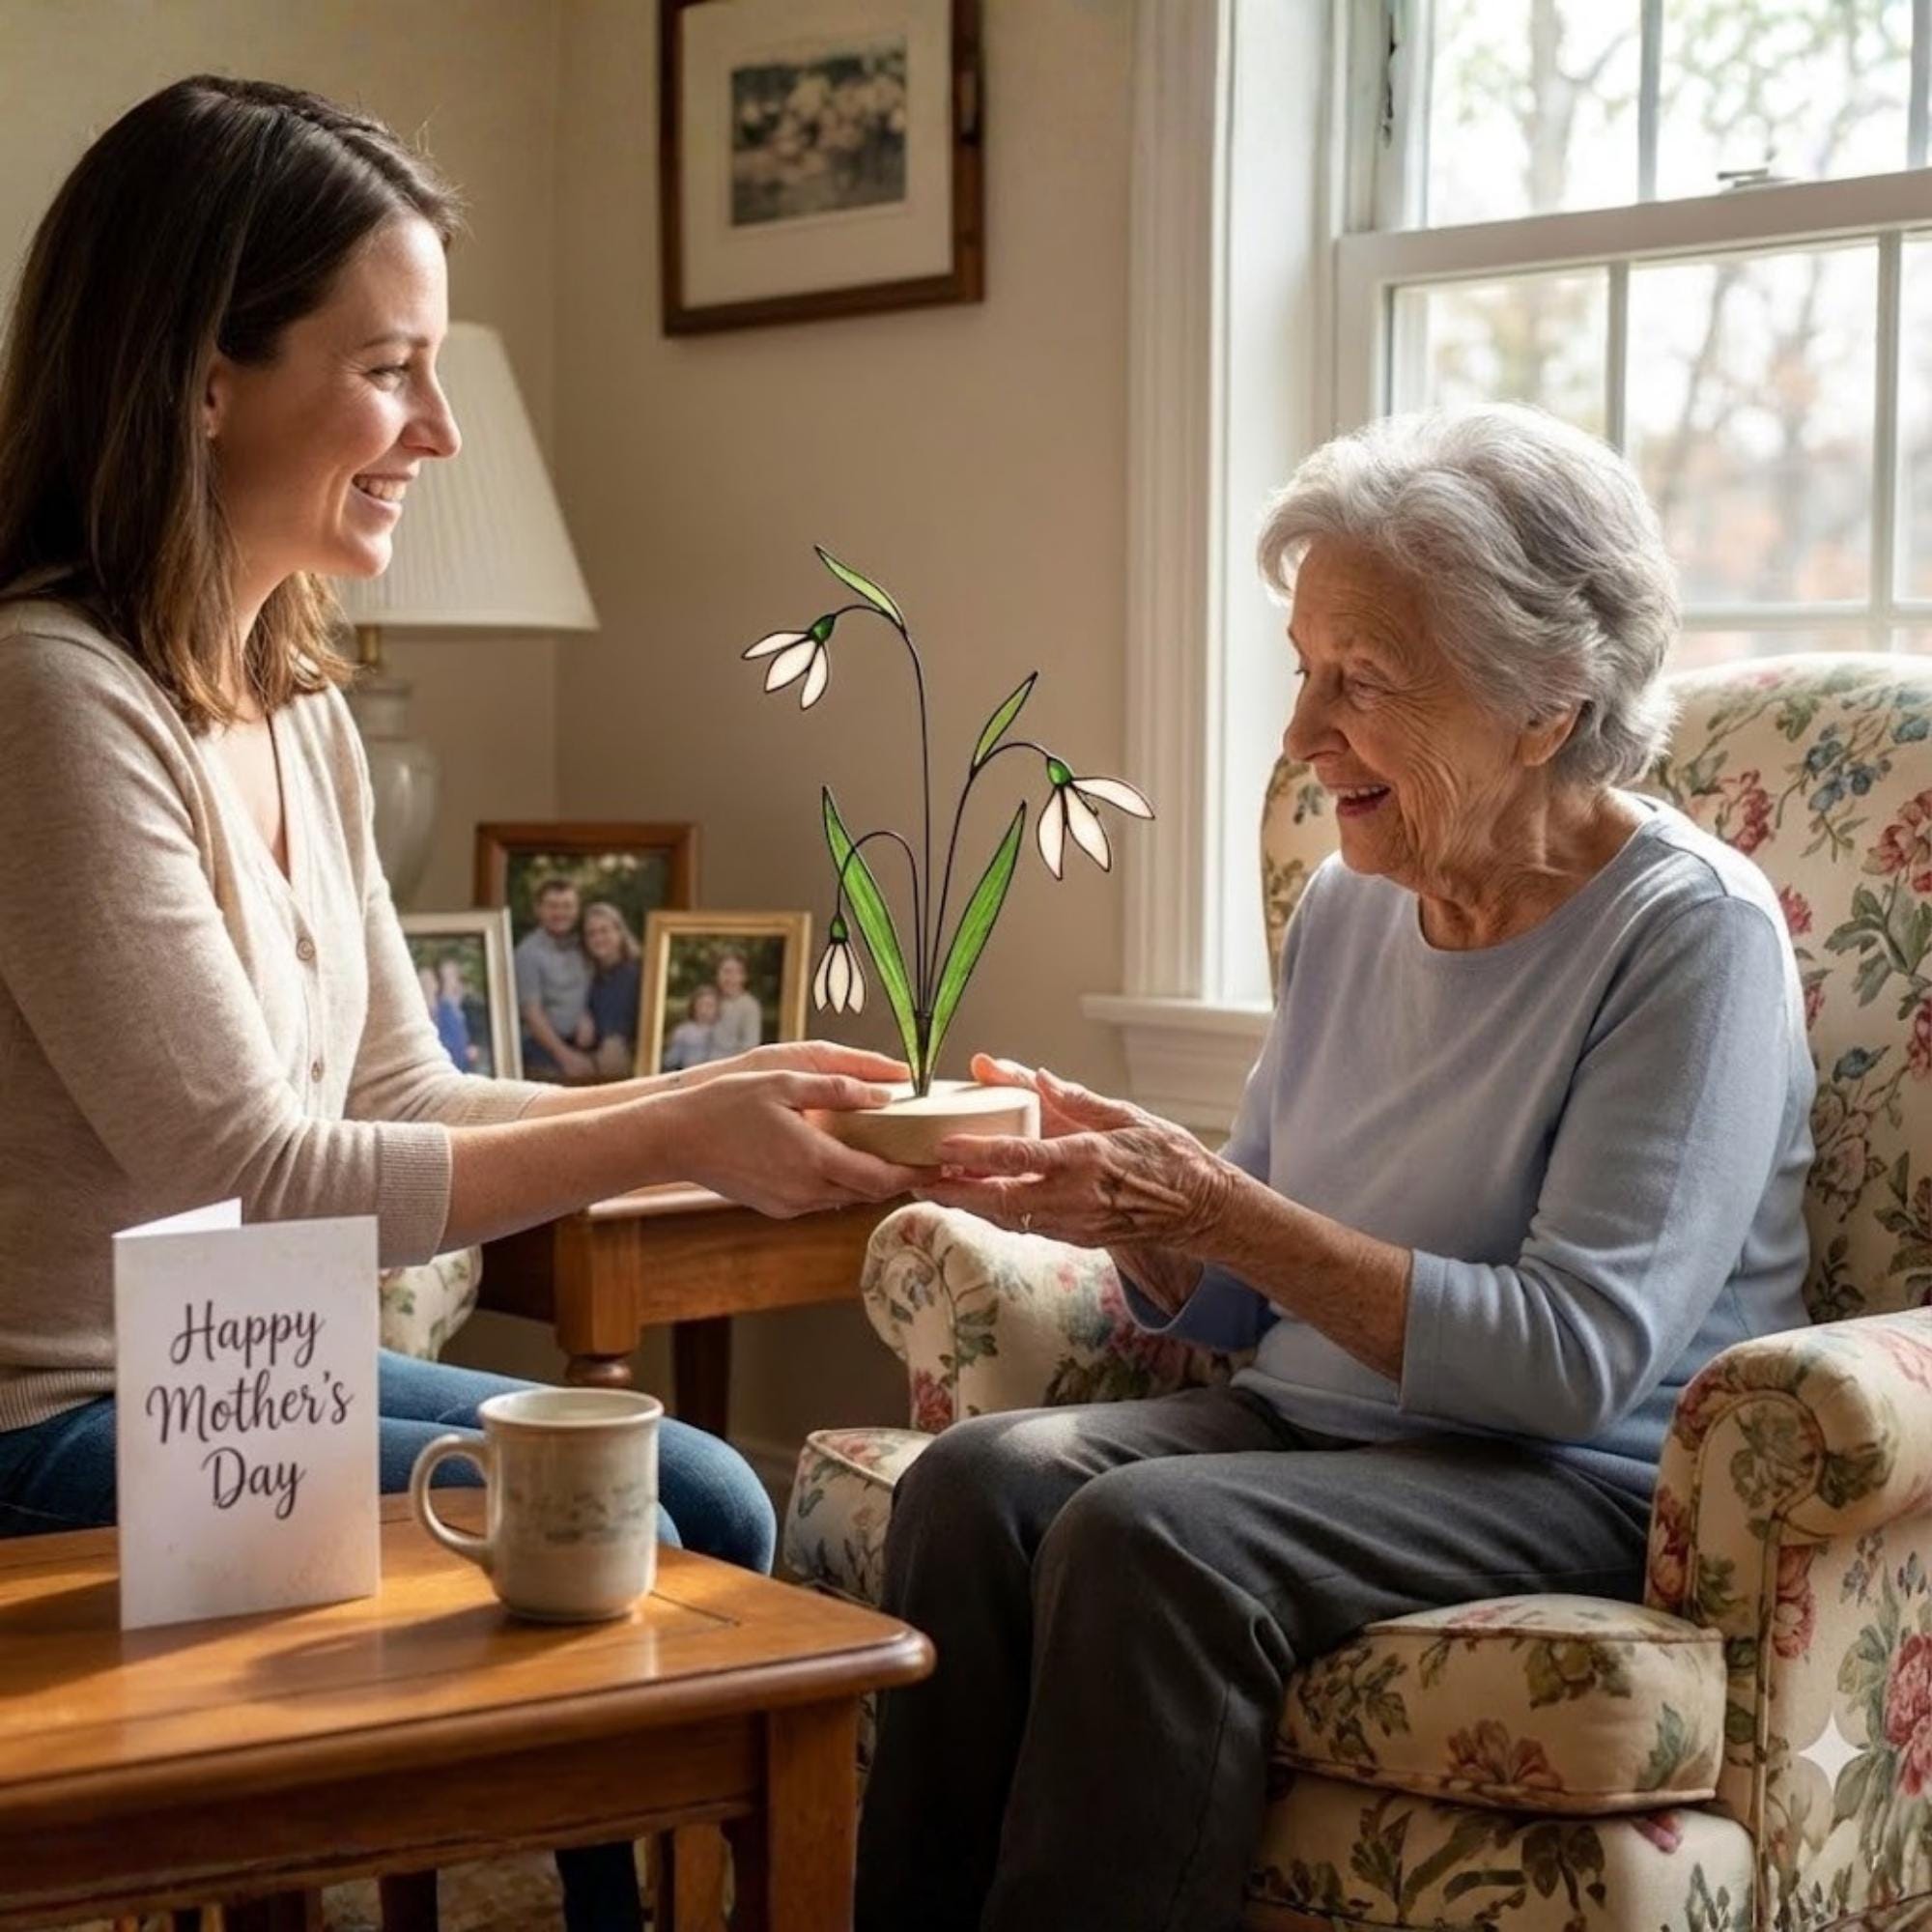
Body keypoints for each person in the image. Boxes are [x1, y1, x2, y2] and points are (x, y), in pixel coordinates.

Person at [0, 76, 922, 1932]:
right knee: (630, 1527)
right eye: (390, 368)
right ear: (202, 378)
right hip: (50, 1416)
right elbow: (248, 1167)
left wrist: (745, 1106)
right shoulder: (48, 696)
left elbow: (409, 1090)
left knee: (711, 1498)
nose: (437, 429)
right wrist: (671, 1128)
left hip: (220, 1384)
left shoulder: (297, 702)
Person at [854, 406, 1817, 1932]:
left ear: (1545, 703)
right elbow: (1240, 1303)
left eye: (1361, 684)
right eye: (1306, 670)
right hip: (1312, 1426)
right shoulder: (1359, 903)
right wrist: (1136, 1203)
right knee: (979, 1488)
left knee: (1147, 1535)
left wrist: (1223, 1206)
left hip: (1566, 1475)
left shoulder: (1688, 933)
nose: (1303, 737)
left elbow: (1574, 1362)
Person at [515, 876, 594, 1081]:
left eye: (567, 906)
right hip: (542, 1047)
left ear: (577, 910)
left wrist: (584, 1015)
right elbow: (532, 1014)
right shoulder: (528, 952)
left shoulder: (581, 945)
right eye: (552, 906)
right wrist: (566, 1057)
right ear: (538, 910)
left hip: (579, 1040)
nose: (560, 913)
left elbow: (582, 989)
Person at [577, 899, 643, 1080]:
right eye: (591, 934)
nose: (598, 939)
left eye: (604, 931)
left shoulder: (632, 973)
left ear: (620, 932)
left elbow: (614, 1044)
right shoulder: (593, 974)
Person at [707, 950, 764, 1058]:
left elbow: (750, 1046)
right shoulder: (710, 999)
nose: (730, 978)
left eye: (735, 972)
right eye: (726, 972)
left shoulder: (750, 1006)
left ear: (743, 977)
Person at [434, 953, 481, 1071]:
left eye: (453, 975)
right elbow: (447, 1044)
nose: (450, 980)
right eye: (446, 976)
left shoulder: (464, 1006)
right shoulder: (442, 1009)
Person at [661, 983, 722, 1073]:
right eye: (701, 1005)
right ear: (693, 1007)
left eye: (709, 1005)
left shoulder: (723, 1031)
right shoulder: (683, 1031)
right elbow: (670, 1061)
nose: (704, 1010)